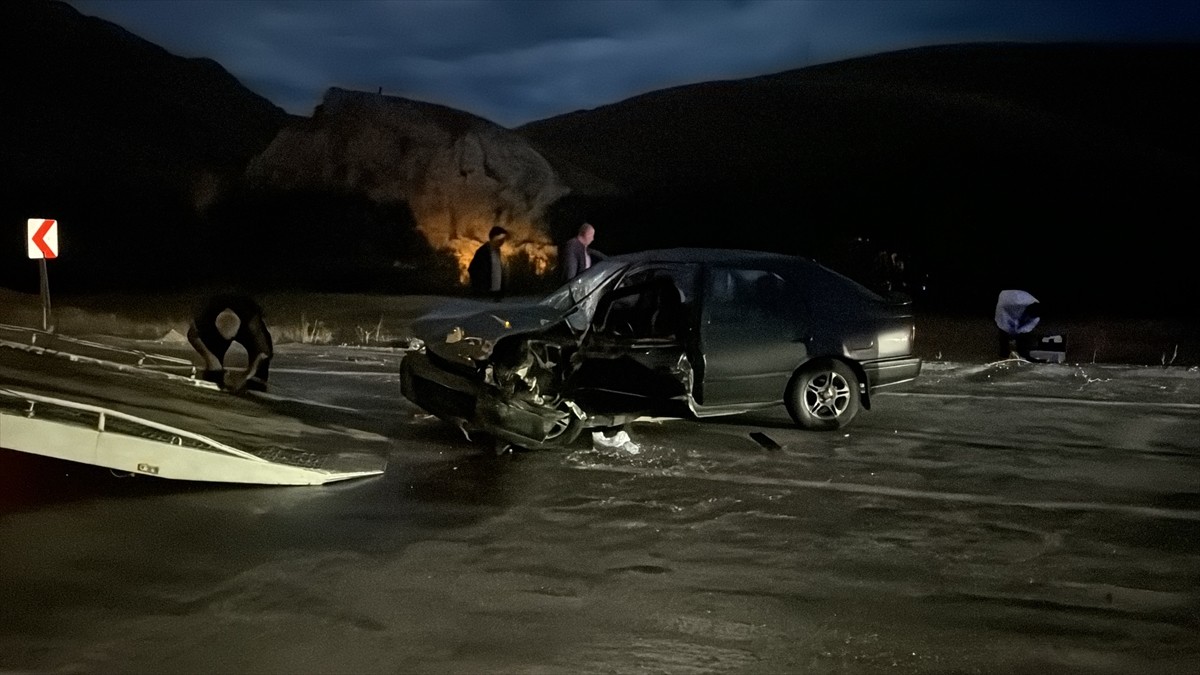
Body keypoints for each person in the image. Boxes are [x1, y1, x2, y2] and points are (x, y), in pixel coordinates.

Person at [186, 294, 273, 392]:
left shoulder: (252, 323)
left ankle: (257, 386)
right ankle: (214, 385)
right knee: (214, 365)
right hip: (214, 322)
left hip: (247, 317)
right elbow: (192, 336)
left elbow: (264, 352)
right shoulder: (204, 317)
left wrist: (246, 375)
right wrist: (210, 358)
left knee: (261, 364)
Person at [994, 289, 1041, 360]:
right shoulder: (1009, 306)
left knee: (1022, 335)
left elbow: (1027, 326)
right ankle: (1004, 354)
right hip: (1005, 305)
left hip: (1019, 307)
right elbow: (1004, 320)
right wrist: (1011, 330)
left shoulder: (1033, 311)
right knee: (1004, 333)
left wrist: (1018, 332)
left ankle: (1022, 352)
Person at [468, 226, 508, 301]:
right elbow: (473, 269)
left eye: (503, 240)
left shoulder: (497, 251)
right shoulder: (482, 252)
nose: (502, 242)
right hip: (484, 296)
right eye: (500, 239)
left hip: (494, 295)